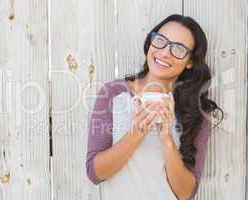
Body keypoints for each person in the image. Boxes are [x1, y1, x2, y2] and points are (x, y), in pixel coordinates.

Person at [86, 14, 223, 200]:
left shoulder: (196, 112)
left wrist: (166, 138)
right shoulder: (113, 93)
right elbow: (95, 173)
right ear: (151, 41)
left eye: (179, 49)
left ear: (190, 61)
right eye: (160, 41)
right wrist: (137, 132)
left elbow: (185, 193)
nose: (165, 52)